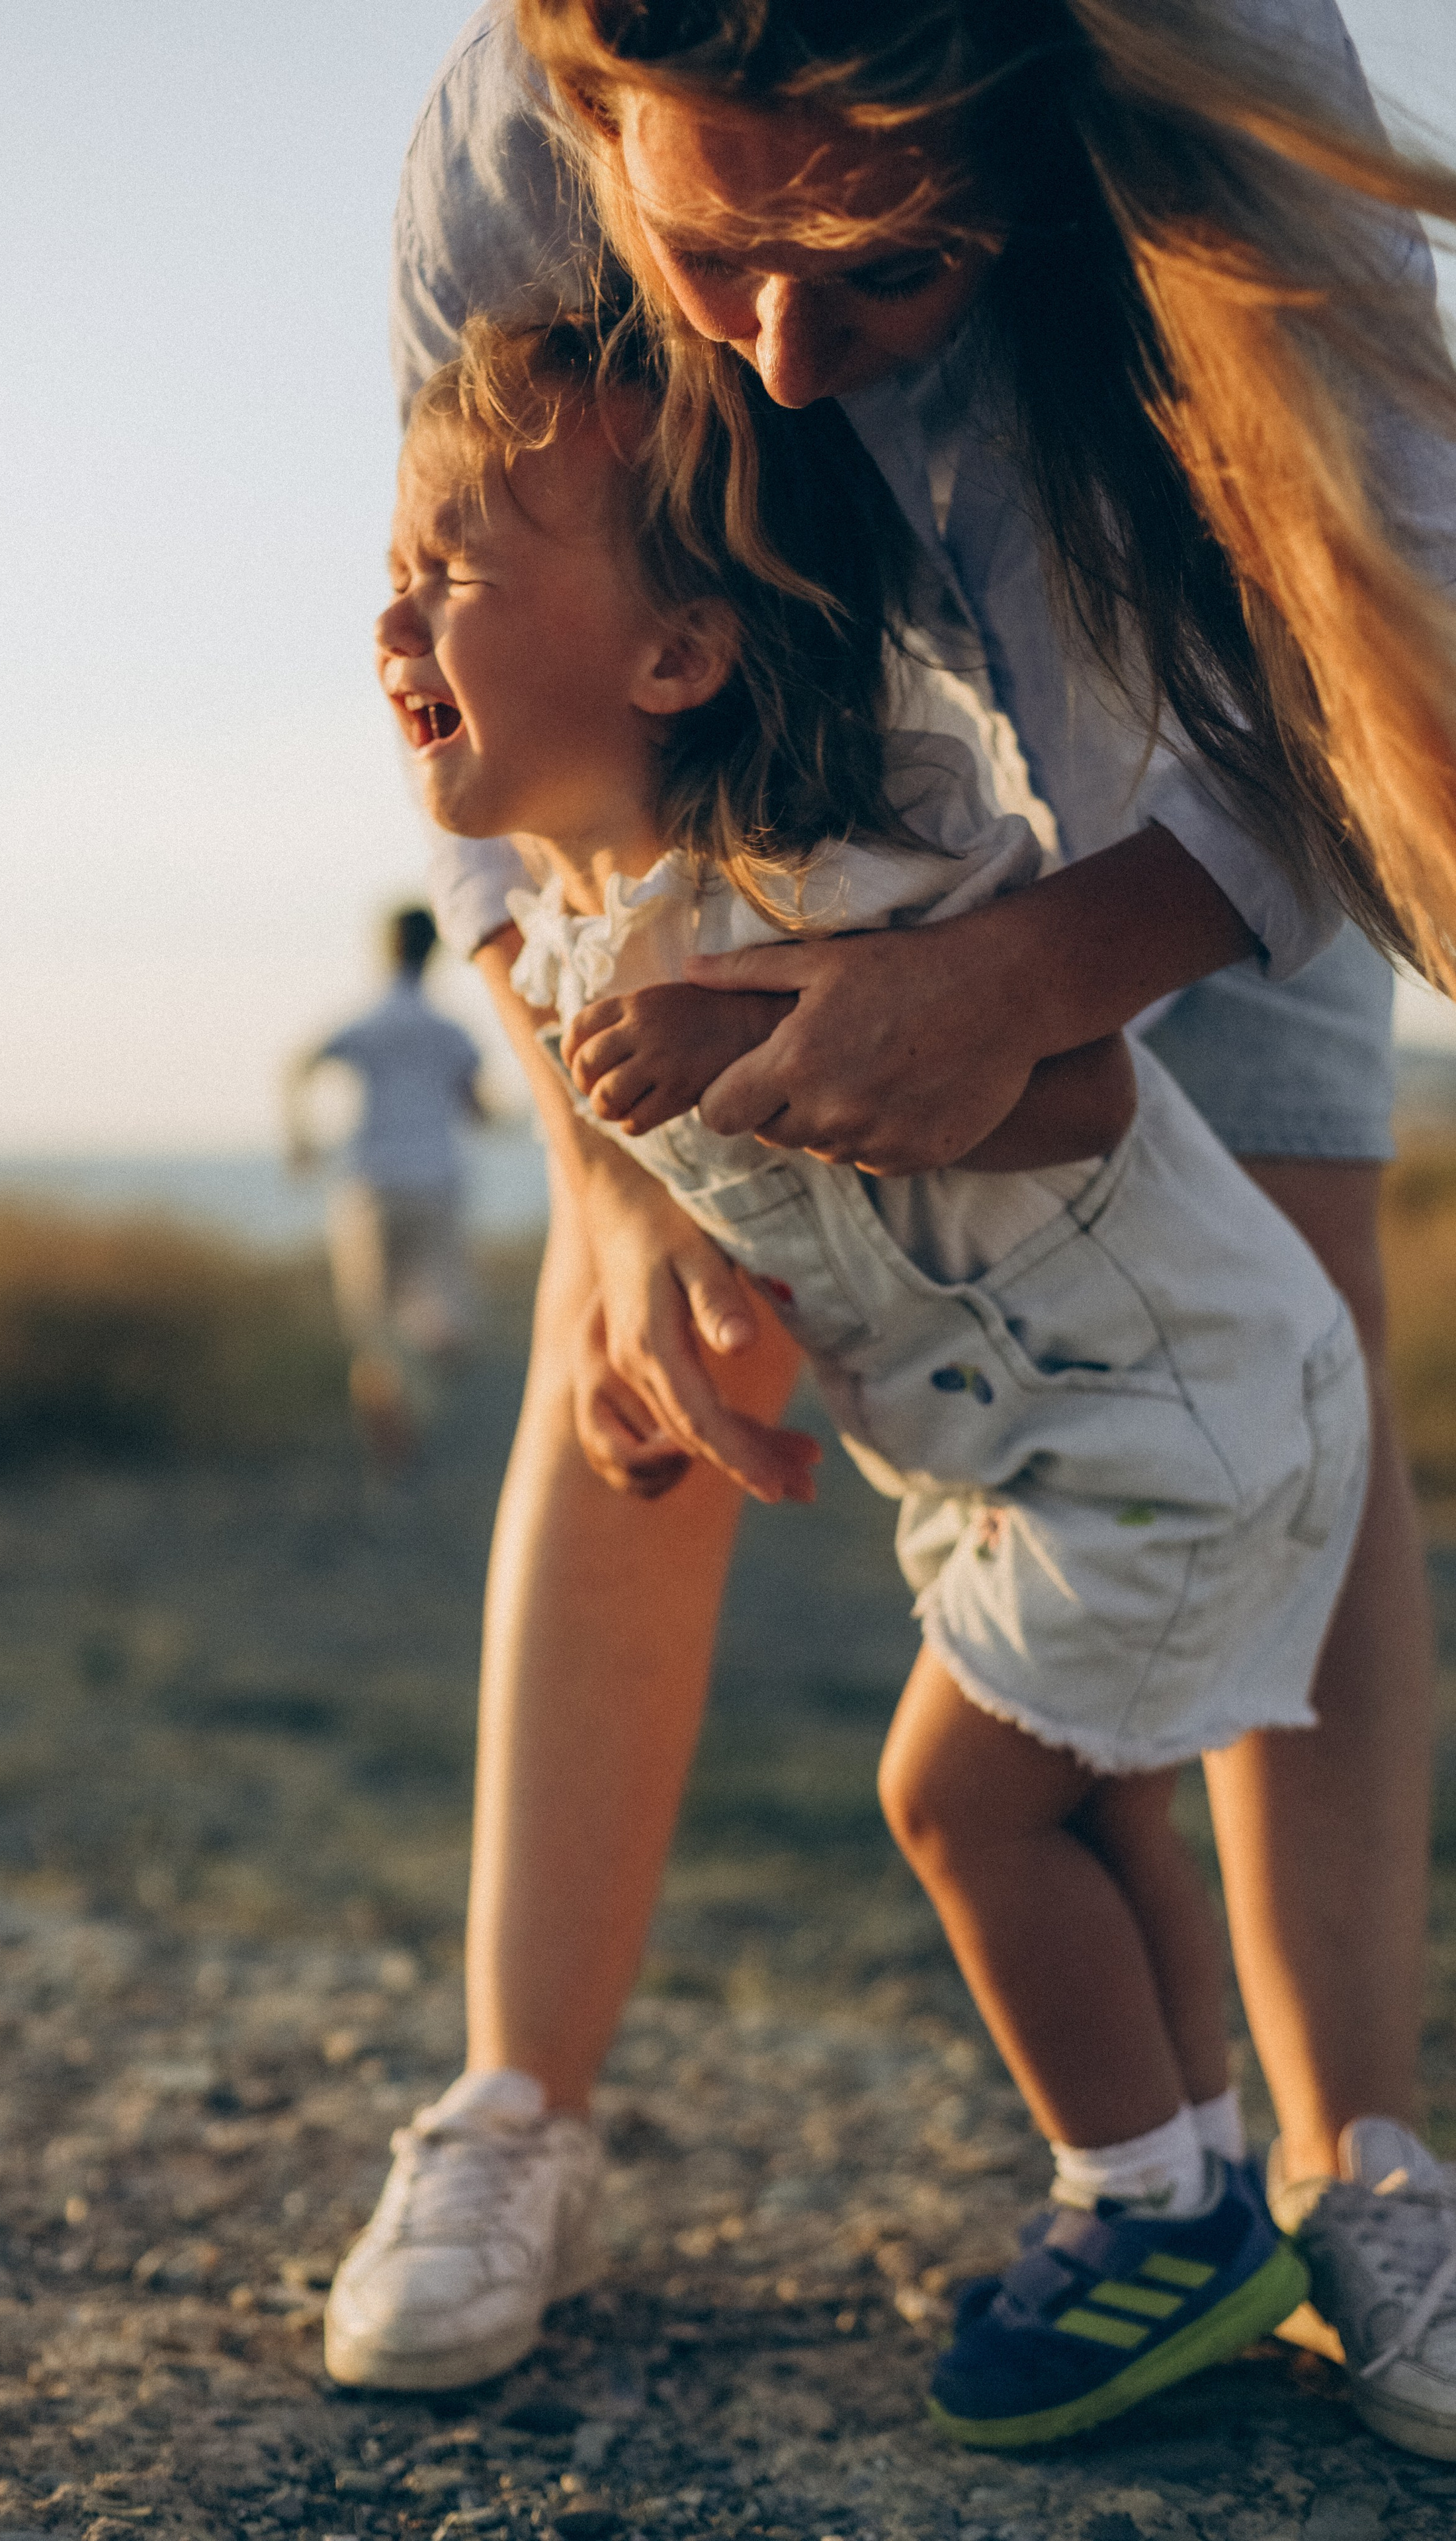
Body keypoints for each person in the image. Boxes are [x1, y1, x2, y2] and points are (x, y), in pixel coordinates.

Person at [329, 0, 1456, 2457]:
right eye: (711, 249)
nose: (779, 351)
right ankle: (516, 2103)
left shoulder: (1224, 80)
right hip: (747, 726)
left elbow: (1399, 681)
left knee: (1287, 1311)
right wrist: (613, 1176)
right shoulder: (508, 147)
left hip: (1217, 730)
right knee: (629, 1340)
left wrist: (1040, 971)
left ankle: (1351, 2164)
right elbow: (472, 675)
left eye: (884, 266)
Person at [286, 905, 483, 1456]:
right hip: (438, 1183)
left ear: (383, 949)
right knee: (442, 1323)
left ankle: (393, 1461)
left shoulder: (367, 1023)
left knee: (373, 1333)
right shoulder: (451, 1032)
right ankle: (424, 1382)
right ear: (435, 952)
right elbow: (476, 1109)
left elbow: (300, 1065)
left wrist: (299, 1138)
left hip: (369, 1188)